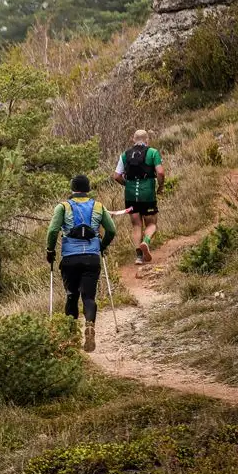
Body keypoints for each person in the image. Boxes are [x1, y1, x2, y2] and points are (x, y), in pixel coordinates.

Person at [46, 174, 117, 352]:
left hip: (70, 258)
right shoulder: (99, 207)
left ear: (72, 189)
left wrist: (50, 250)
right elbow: (111, 230)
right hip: (91, 258)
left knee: (71, 295)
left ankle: (70, 337)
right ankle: (90, 325)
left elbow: (53, 230)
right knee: (88, 297)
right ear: (88, 189)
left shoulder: (62, 207)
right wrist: (102, 245)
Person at [112, 129, 166, 264]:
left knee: (136, 225)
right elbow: (160, 173)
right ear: (147, 140)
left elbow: (116, 176)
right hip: (147, 194)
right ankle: (146, 242)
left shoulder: (125, 155)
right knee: (152, 223)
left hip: (130, 195)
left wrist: (127, 184)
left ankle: (138, 256)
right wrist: (160, 186)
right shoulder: (153, 152)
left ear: (133, 139)